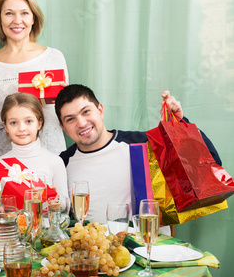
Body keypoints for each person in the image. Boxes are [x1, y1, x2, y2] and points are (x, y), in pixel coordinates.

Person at [54, 84, 222, 224]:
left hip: (146, 247)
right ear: (63, 127)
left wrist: (180, 126)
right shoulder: (61, 162)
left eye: (86, 112)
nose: (81, 123)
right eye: (70, 119)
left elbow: (209, 166)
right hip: (93, 254)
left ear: (100, 110)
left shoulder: (141, 143)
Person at [0, 0, 69, 160]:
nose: (17, 20)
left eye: (24, 13)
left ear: (33, 18)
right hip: (4, 165)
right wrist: (6, 112)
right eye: (9, 13)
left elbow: (65, 118)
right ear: (0, 19)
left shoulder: (54, 57)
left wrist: (68, 101)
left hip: (50, 159)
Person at [0, 92, 69, 212]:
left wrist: (55, 200)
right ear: (5, 126)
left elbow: (65, 204)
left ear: (39, 123)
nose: (21, 128)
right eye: (13, 123)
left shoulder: (54, 161)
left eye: (29, 121)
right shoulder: (0, 164)